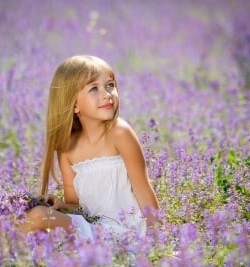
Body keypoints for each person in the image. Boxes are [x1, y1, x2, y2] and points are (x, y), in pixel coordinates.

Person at [18, 55, 160, 240]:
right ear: (74, 104)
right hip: (92, 230)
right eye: (94, 88)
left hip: (125, 233)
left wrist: (159, 241)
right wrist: (60, 205)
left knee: (38, 216)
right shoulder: (67, 148)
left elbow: (143, 190)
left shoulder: (120, 133)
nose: (106, 94)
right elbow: (76, 206)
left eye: (110, 85)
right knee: (34, 218)